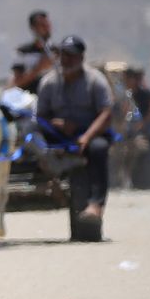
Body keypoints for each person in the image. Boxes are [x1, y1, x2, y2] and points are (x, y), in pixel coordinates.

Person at [36, 35, 112, 228]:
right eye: (63, 55)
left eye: (71, 55)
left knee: (98, 149)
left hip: (89, 133)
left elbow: (106, 113)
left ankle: (96, 204)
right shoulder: (49, 83)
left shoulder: (95, 80)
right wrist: (56, 124)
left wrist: (86, 137)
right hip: (57, 136)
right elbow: (40, 116)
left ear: (81, 57)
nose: (66, 60)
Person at [118, 68, 150, 190]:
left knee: (139, 147)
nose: (125, 81)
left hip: (146, 134)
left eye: (127, 79)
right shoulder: (126, 96)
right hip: (129, 135)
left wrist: (141, 124)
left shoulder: (145, 94)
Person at [11, 10, 53, 93]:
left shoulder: (58, 51)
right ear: (33, 28)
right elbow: (17, 82)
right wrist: (39, 68)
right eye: (42, 25)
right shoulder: (22, 52)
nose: (46, 28)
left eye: (47, 24)